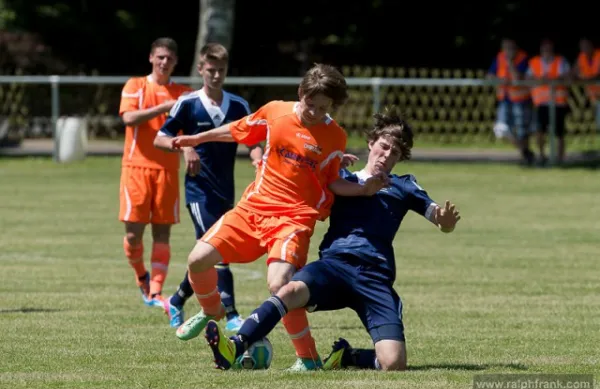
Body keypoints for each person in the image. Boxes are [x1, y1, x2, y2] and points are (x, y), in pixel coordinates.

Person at [161, 63, 388, 371]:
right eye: (311, 105)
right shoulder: (276, 112)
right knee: (197, 259)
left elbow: (332, 179)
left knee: (280, 285)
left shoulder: (335, 136)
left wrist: (363, 189)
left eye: (324, 108)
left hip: (294, 219)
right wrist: (198, 139)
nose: (315, 113)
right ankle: (212, 312)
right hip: (253, 209)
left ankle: (308, 358)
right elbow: (238, 128)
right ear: (300, 94)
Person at [201, 107, 461, 371]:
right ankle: (235, 345)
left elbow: (435, 213)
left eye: (394, 153)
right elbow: (303, 174)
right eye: (383, 147)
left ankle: (347, 356)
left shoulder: (403, 185)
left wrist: (445, 222)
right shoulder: (341, 180)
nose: (386, 155)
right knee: (288, 290)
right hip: (334, 266)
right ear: (371, 143)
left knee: (393, 363)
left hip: (375, 277)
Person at [154, 43, 263, 331]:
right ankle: (232, 315)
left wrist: (258, 160)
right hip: (198, 191)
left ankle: (176, 300)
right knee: (219, 250)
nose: (215, 76)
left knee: (207, 253)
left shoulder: (238, 106)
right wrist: (183, 147)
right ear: (201, 69)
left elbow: (252, 141)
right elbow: (160, 138)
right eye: (210, 70)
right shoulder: (188, 104)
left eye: (221, 71)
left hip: (226, 191)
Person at [118, 37, 192, 307]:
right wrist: (163, 107)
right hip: (136, 169)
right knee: (133, 235)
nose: (164, 62)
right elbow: (128, 118)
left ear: (175, 62)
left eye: (169, 59)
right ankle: (141, 277)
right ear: (151, 57)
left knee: (162, 235)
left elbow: (190, 132)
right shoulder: (135, 85)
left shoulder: (184, 92)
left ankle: (156, 291)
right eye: (160, 57)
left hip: (167, 171)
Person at [486, 38, 534, 165]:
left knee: (522, 130)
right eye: (505, 48)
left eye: (511, 48)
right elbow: (489, 76)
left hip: (521, 100)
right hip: (504, 99)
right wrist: (498, 79)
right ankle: (525, 151)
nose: (508, 51)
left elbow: (518, 77)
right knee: (501, 129)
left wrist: (510, 62)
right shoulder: (499, 57)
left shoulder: (523, 58)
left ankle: (526, 155)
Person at [527, 39, 571, 165]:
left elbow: (567, 76)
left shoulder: (561, 61)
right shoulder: (534, 62)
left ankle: (560, 158)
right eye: (544, 49)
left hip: (558, 102)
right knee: (539, 130)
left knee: (559, 132)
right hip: (541, 103)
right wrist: (540, 79)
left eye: (549, 49)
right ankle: (542, 156)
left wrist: (554, 80)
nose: (547, 52)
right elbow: (527, 77)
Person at [573, 38, 600, 134]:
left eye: (587, 45)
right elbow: (574, 72)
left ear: (592, 46)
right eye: (582, 46)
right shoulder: (581, 58)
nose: (585, 48)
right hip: (595, 97)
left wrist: (588, 79)